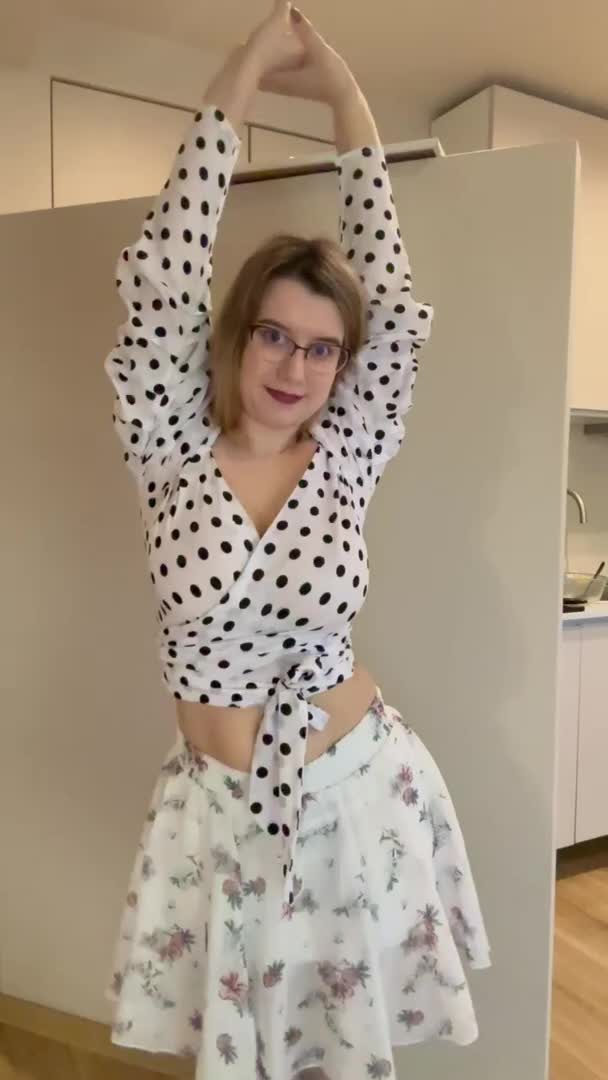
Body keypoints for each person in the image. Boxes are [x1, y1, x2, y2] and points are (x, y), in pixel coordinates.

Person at [103, 3, 491, 1077]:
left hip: (353, 792)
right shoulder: (170, 442)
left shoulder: (350, 449)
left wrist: (347, 102)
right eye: (274, 333)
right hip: (214, 812)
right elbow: (165, 273)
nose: (296, 365)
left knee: (340, 1053)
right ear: (236, 335)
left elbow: (391, 305)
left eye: (323, 348)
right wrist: (244, 75)